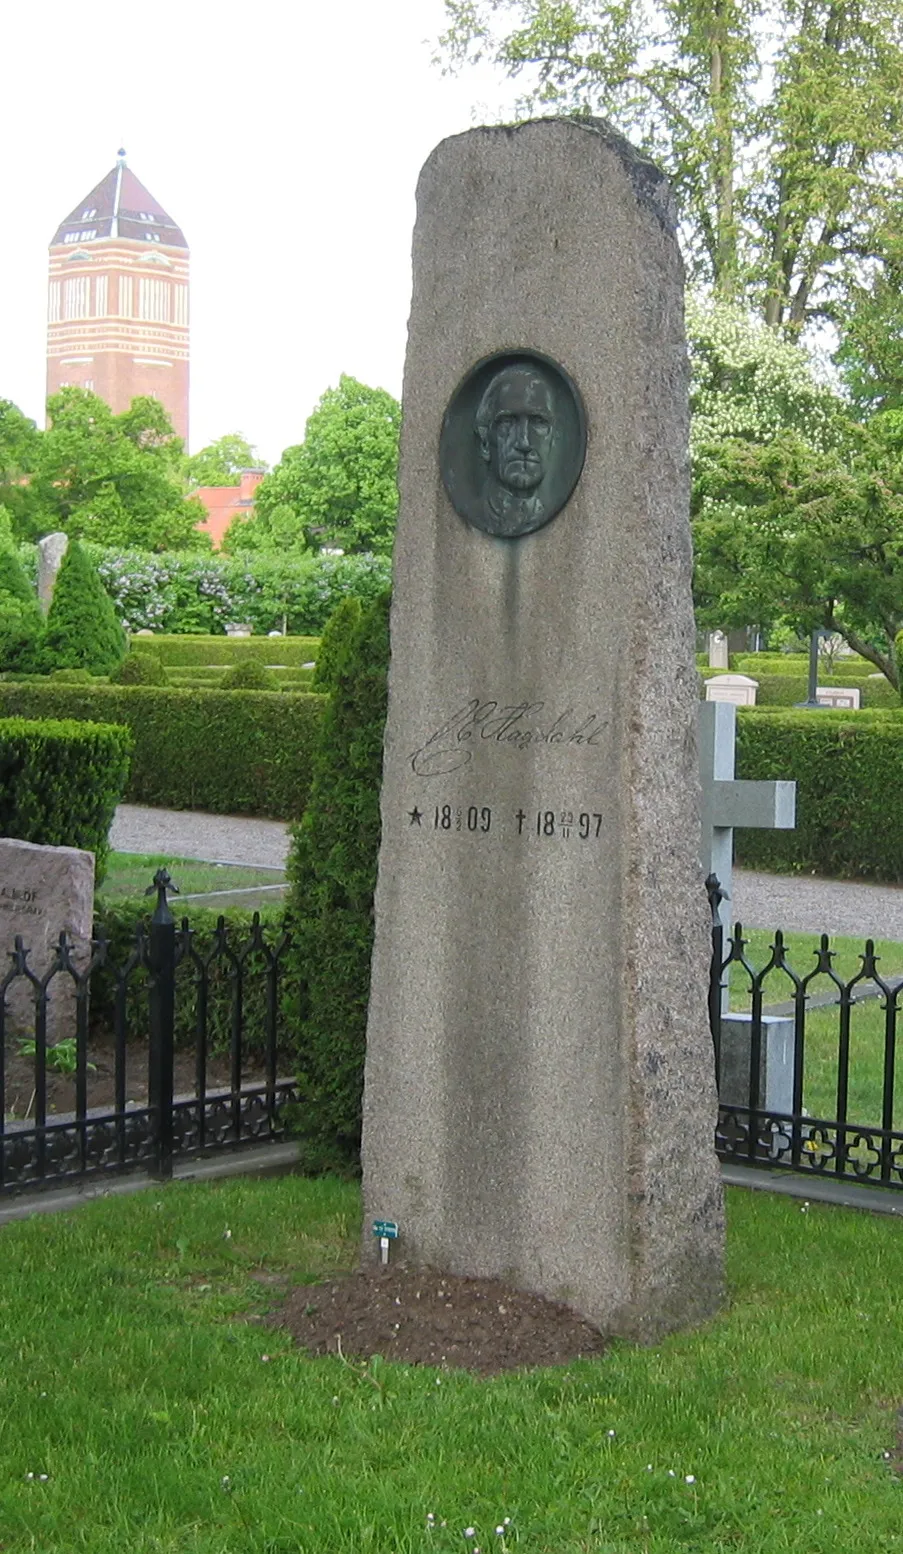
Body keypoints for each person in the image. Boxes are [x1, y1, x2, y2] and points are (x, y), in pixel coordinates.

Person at [473, 363, 557, 537]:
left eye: (538, 422)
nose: (524, 442)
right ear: (485, 443)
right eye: (507, 422)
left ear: (553, 440)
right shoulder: (474, 513)